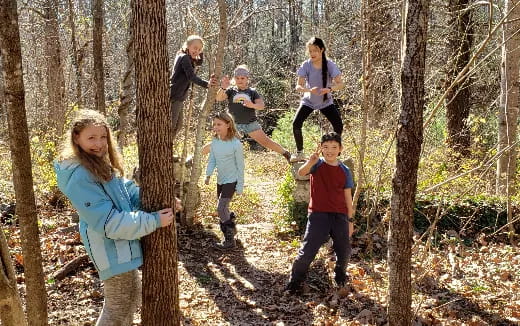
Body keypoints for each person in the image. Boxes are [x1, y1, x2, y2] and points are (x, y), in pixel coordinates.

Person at [54, 109, 175, 325]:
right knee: (117, 310)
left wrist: (160, 200)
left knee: (129, 301)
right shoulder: (80, 176)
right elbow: (108, 222)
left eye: (103, 137)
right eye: (91, 138)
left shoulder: (98, 163)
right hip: (110, 249)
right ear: (76, 138)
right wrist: (154, 221)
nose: (99, 143)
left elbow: (125, 191)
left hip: (122, 247)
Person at [285, 132, 354, 295]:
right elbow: (301, 173)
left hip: (340, 215)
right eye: (326, 147)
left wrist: (350, 220)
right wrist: (310, 161)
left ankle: (340, 277)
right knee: (308, 250)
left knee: (344, 250)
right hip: (318, 214)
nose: (330, 151)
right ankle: (294, 282)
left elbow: (347, 197)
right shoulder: (317, 164)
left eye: (334, 147)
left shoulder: (345, 170)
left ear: (340, 149)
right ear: (321, 149)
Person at [215, 65, 292, 163]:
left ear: (247, 78)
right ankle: (197, 156)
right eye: (237, 78)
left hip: (251, 124)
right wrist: (223, 88)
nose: (240, 80)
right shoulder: (231, 91)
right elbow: (218, 98)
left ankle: (286, 153)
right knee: (220, 141)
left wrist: (252, 105)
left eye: (242, 78)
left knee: (266, 142)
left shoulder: (252, 92)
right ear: (234, 79)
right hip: (234, 125)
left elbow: (261, 105)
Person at [291, 37, 345, 162]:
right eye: (310, 51)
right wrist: (309, 90)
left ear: (322, 50)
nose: (312, 54)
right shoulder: (306, 65)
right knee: (296, 124)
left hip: (325, 102)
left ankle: (334, 153)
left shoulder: (330, 64)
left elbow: (341, 84)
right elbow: (298, 86)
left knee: (338, 125)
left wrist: (329, 89)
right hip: (308, 101)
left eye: (315, 50)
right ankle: (300, 153)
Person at [205, 111, 245, 250]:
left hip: (232, 180)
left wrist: (240, 185)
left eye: (219, 124)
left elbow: (241, 166)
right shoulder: (215, 142)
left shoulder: (236, 144)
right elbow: (212, 159)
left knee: (220, 208)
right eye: (214, 124)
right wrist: (208, 174)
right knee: (224, 208)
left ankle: (229, 241)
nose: (216, 127)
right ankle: (231, 226)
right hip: (220, 180)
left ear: (228, 125)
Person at [170, 35, 217, 138]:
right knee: (171, 126)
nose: (197, 51)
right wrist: (207, 84)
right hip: (175, 95)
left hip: (179, 96)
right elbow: (191, 77)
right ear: (187, 46)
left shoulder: (184, 56)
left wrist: (199, 52)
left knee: (178, 125)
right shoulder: (184, 58)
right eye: (195, 48)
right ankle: (164, 148)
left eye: (199, 49)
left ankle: (168, 145)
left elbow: (199, 62)